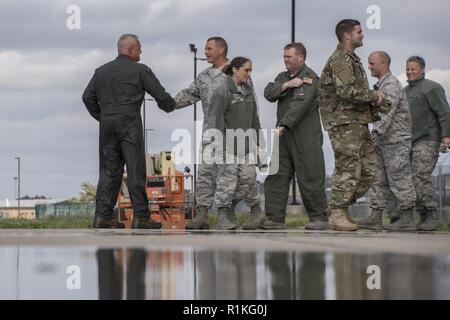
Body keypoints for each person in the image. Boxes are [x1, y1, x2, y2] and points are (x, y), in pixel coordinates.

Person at [82, 34, 175, 229]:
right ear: (130, 50)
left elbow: (87, 97)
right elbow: (160, 94)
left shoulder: (101, 71)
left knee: (109, 171)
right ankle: (141, 217)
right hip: (129, 122)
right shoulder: (141, 70)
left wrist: (102, 116)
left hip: (107, 124)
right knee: (135, 170)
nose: (141, 53)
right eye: (139, 49)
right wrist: (170, 105)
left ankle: (102, 216)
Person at [318, 19, 389, 231]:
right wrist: (374, 96)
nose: (363, 35)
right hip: (343, 123)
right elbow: (346, 92)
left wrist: (375, 105)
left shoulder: (353, 59)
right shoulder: (340, 59)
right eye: (359, 31)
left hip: (358, 122)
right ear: (347, 35)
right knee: (347, 167)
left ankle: (338, 207)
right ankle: (338, 213)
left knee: (369, 170)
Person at [262, 42, 328, 230]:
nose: (285, 60)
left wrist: (284, 124)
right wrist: (286, 84)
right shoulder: (282, 77)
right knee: (277, 175)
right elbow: (269, 93)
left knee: (310, 174)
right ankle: (275, 218)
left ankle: (319, 218)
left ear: (301, 58)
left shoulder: (310, 78)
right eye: (284, 56)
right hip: (283, 136)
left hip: (304, 135)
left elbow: (300, 105)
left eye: (289, 57)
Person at [174, 37, 230, 230]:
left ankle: (225, 215)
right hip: (210, 133)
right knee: (206, 173)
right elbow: (189, 94)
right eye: (205, 49)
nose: (205, 52)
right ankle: (202, 214)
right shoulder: (204, 76)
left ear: (221, 50)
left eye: (209, 48)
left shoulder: (236, 73)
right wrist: (168, 103)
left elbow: (250, 103)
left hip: (231, 133)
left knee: (227, 174)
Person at [358, 51, 416, 231]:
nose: (369, 67)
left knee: (400, 178)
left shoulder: (390, 85)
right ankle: (375, 217)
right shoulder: (380, 86)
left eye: (372, 63)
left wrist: (372, 136)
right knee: (379, 180)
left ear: (384, 64)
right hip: (383, 142)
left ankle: (407, 218)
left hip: (396, 141)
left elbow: (386, 114)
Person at [208, 57, 265, 230]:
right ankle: (224, 215)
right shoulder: (222, 91)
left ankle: (256, 212)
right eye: (246, 70)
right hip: (228, 145)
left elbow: (255, 120)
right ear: (234, 70)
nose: (249, 74)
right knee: (227, 181)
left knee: (248, 179)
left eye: (250, 71)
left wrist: (259, 146)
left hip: (247, 145)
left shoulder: (248, 91)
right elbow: (214, 120)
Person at [405, 55, 450, 231]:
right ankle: (424, 217)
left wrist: (446, 135)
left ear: (422, 70)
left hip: (429, 139)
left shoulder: (432, 88)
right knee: (409, 181)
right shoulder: (405, 92)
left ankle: (432, 215)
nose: (409, 72)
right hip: (410, 142)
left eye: (413, 69)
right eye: (407, 69)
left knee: (420, 177)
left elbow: (444, 113)